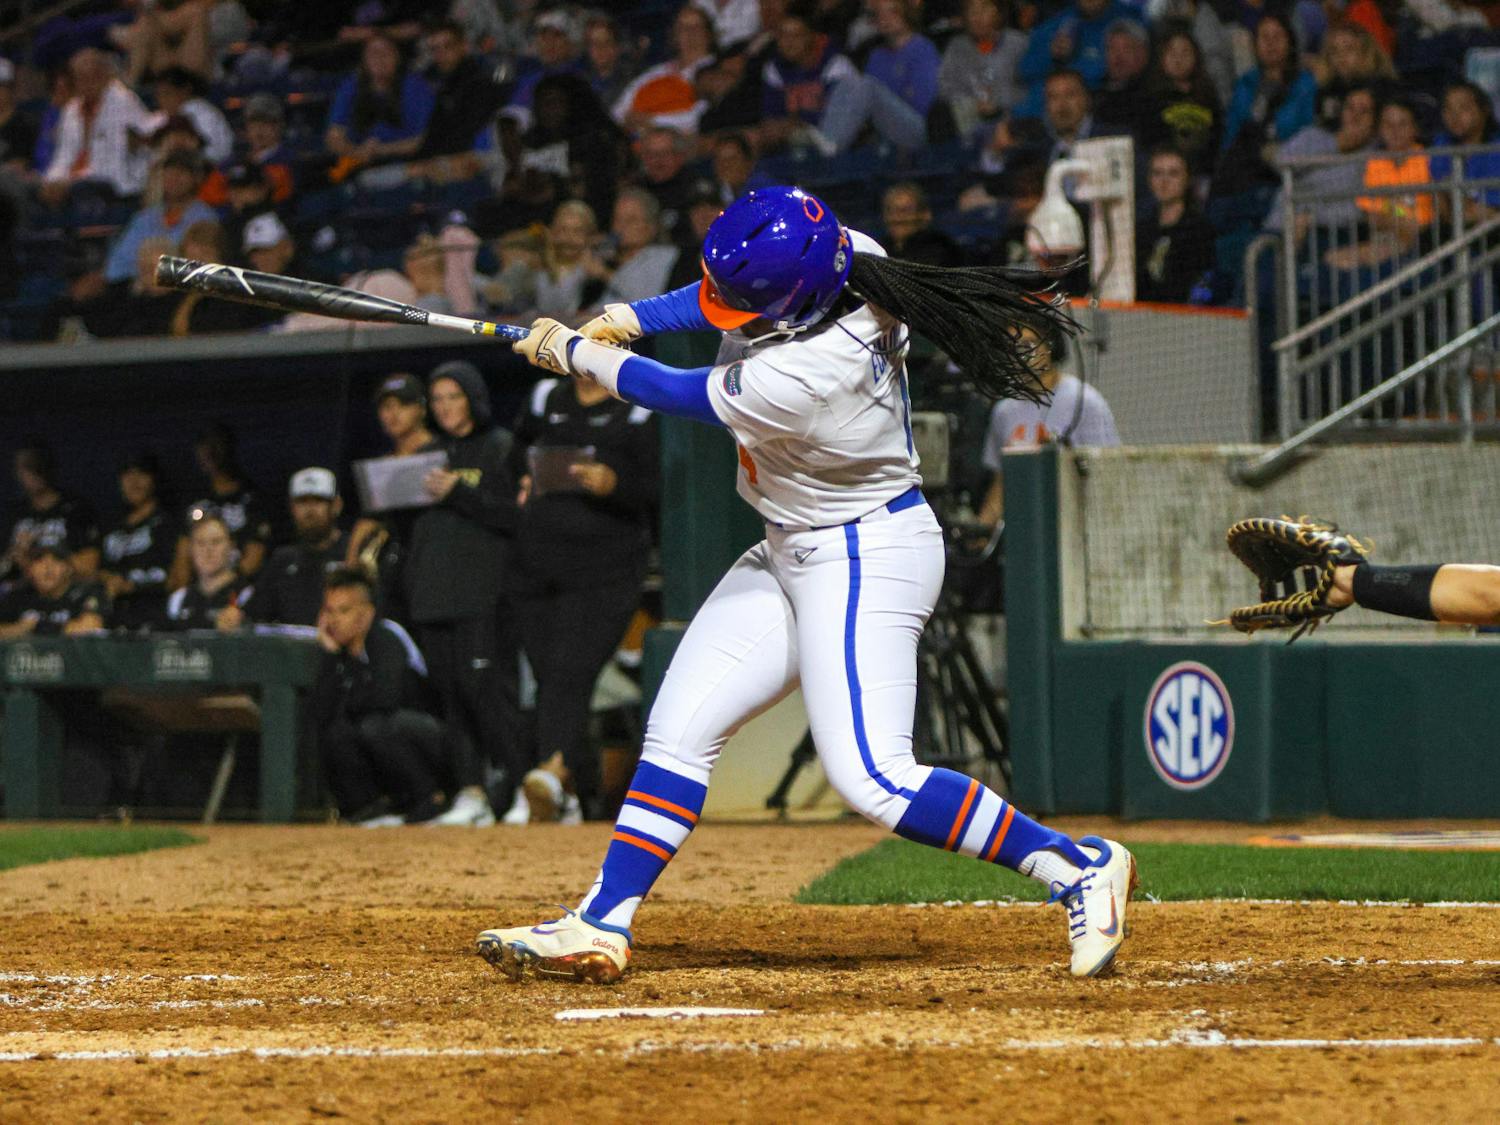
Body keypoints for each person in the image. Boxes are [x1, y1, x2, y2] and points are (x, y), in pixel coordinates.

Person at [478, 185, 1137, 984]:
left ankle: (1076, 864)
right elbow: (719, 298)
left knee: (875, 777)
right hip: (790, 546)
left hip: (865, 554)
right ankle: (600, 921)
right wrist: (638, 316)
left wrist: (577, 353)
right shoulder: (846, 255)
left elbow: (678, 393)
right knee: (680, 727)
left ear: (792, 309)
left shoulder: (807, 372)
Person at [506, 355, 659, 822]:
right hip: (537, 564)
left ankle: (550, 773)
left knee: (569, 673)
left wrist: (614, 483)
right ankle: (572, 793)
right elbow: (516, 456)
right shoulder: (543, 397)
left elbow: (658, 485)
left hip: (605, 569)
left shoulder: (639, 407)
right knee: (550, 676)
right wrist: (523, 479)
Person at [403, 360, 522, 827]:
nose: (446, 407)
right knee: (452, 698)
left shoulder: (501, 448)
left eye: (454, 397)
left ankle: (519, 787)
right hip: (433, 595)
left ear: (473, 398)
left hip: (483, 594)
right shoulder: (427, 454)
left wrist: (458, 493)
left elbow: (513, 517)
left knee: (487, 694)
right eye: (438, 400)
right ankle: (470, 792)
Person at [309, 565, 453, 827]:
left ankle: (429, 799)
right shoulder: (338, 653)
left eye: (344, 611)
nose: (334, 620)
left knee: (377, 726)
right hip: (384, 734)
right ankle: (372, 807)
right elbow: (321, 712)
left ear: (366, 614)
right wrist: (331, 656)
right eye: (329, 611)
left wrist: (349, 685)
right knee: (337, 732)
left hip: (433, 738)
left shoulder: (386, 636)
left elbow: (385, 699)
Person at [976, 323, 1119, 525]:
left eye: (1027, 345)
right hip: (1026, 525)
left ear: (1050, 346)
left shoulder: (1084, 401)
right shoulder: (1004, 411)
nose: (1019, 355)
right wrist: (982, 530)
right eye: (1011, 347)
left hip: (1076, 523)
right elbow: (1001, 482)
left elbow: (1108, 473)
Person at [345, 373, 440, 623]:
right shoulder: (382, 467)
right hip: (395, 574)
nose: (393, 414)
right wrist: (351, 566)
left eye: (403, 405)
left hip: (435, 567)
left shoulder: (442, 453)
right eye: (386, 407)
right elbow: (369, 520)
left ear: (421, 409)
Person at [226, 467, 350, 629]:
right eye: (302, 502)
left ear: (336, 505)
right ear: (292, 508)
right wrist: (234, 618)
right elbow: (253, 615)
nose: (310, 510)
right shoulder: (283, 560)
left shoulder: (352, 553)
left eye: (318, 501)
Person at [40, 48, 155, 206]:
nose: (87, 84)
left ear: (106, 75)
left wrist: (71, 182)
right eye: (80, 78)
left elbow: (113, 163)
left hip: (116, 184)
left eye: (93, 77)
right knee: (36, 192)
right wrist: (53, 180)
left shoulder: (123, 102)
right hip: (78, 183)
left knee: (82, 189)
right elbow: (63, 156)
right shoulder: (71, 109)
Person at [168, 422, 272, 589]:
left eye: (216, 444)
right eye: (204, 446)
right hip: (199, 592)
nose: (210, 452)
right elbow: (182, 558)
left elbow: (254, 556)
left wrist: (224, 589)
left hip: (240, 591)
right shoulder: (194, 499)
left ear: (229, 448)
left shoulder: (252, 498)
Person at [101, 149, 216, 287]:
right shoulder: (145, 217)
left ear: (196, 178)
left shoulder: (205, 219)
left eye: (182, 172)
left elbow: (201, 270)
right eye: (170, 171)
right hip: (138, 291)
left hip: (179, 292)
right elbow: (116, 267)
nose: (174, 178)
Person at [1015, 0, 1143, 119]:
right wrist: (1052, 56)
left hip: (1095, 112)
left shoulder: (1127, 21)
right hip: (1035, 114)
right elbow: (1024, 71)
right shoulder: (1059, 22)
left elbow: (1125, 68)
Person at [325, 33, 435, 171]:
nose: (380, 58)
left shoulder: (417, 87)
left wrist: (381, 150)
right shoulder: (351, 85)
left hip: (405, 161)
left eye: (386, 52)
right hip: (357, 159)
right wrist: (354, 151)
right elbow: (334, 135)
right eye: (373, 53)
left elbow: (425, 139)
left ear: (397, 57)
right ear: (364, 59)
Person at [3, 441, 101, 589]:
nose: (34, 472)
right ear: (17, 472)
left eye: (37, 464)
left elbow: (90, 566)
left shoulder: (75, 509)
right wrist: (14, 555)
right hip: (21, 596)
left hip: (67, 593)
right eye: (26, 466)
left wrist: (37, 556)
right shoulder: (13, 514)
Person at [99, 451, 177, 630]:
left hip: (156, 614)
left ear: (154, 479)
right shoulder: (111, 525)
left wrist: (132, 586)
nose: (134, 481)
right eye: (127, 474)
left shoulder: (169, 522)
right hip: (114, 616)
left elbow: (177, 579)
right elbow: (97, 571)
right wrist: (109, 580)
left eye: (141, 473)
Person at [612, 4, 717, 135]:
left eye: (697, 26)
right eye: (683, 27)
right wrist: (628, 120)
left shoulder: (715, 70)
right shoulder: (658, 71)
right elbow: (620, 108)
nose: (690, 33)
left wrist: (654, 121)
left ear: (708, 33)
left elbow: (700, 116)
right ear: (675, 34)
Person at [937, 0, 1029, 140]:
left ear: (998, 13)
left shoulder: (1018, 43)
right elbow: (945, 87)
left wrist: (998, 102)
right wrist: (973, 104)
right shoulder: (956, 47)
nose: (977, 16)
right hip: (970, 124)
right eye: (972, 11)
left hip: (1013, 120)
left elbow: (1028, 86)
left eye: (984, 9)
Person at [1135, 146, 1216, 303]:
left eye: (1173, 173)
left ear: (1187, 179)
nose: (1164, 181)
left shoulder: (1199, 229)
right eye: (1157, 173)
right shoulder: (1142, 229)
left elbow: (1199, 284)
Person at [1139, 27, 1221, 179]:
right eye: (1172, 53)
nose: (1178, 59)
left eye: (1185, 52)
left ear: (1196, 57)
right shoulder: (1149, 99)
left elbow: (1218, 140)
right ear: (1161, 58)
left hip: (1204, 177)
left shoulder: (1208, 97)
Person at [0, 537, 109, 638]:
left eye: (57, 559)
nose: (48, 567)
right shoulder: (18, 595)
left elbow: (90, 627)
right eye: (39, 559)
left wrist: (36, 628)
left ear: (69, 568)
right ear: (29, 569)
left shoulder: (86, 592)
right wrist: (19, 628)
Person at [1429, 80, 1500, 222]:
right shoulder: (1441, 144)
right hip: (1454, 224)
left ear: (1484, 110)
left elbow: (1489, 211)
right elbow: (1439, 201)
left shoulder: (1495, 149)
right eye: (1448, 109)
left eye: (1464, 108)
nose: (1455, 116)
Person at [161, 509, 244, 629]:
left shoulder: (247, 596)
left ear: (231, 546)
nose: (208, 550)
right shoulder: (178, 600)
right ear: (190, 549)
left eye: (216, 542)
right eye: (200, 543)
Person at [599, 189, 680, 306]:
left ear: (651, 226)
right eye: (617, 219)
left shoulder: (662, 257)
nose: (621, 226)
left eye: (631, 220)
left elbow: (645, 301)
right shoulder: (606, 255)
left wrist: (605, 274)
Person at [534, 199, 610, 321]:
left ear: (591, 237)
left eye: (577, 231)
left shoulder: (596, 274)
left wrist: (603, 275)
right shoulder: (539, 268)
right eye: (562, 230)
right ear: (552, 233)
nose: (569, 239)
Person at [149, 65, 232, 165]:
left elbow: (217, 152)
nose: (162, 100)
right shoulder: (165, 116)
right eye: (159, 95)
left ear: (185, 90)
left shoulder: (203, 112)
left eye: (167, 93)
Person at [879, 181, 963, 267]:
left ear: (925, 214)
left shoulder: (942, 250)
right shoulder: (877, 250)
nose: (897, 218)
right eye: (890, 210)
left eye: (905, 211)